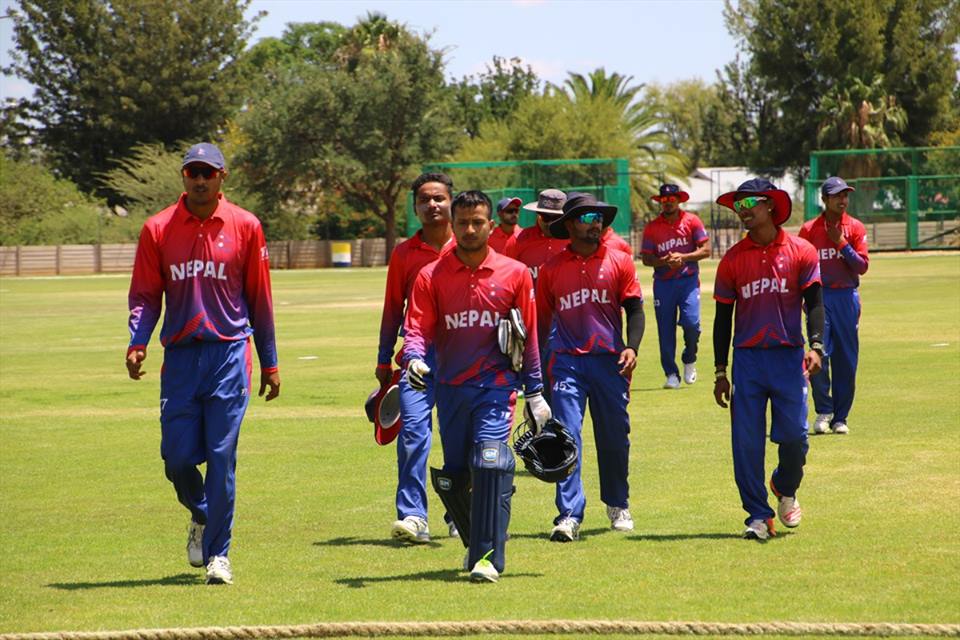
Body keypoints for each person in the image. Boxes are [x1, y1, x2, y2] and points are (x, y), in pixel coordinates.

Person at [126, 142, 280, 585]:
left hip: (229, 354)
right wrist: (138, 340)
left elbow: (260, 298)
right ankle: (202, 512)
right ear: (183, 176)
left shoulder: (246, 225)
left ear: (221, 177)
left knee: (221, 457)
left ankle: (219, 554)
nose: (199, 179)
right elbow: (145, 294)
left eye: (207, 173)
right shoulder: (157, 228)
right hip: (180, 358)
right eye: (192, 172)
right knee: (176, 459)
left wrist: (269, 361)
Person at [402, 190, 551, 583]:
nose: (470, 229)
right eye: (463, 222)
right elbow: (417, 327)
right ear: (453, 225)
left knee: (491, 463)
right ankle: (477, 542)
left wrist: (535, 391)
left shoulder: (514, 273)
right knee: (455, 477)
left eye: (477, 222)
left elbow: (529, 335)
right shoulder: (431, 275)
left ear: (490, 225)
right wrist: (413, 357)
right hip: (450, 389)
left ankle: (488, 558)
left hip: (496, 387)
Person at [712, 178, 824, 541]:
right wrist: (720, 371)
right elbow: (722, 318)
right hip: (747, 361)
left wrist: (817, 346)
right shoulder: (733, 259)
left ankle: (784, 485)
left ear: (770, 205)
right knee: (746, 443)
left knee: (795, 437)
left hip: (789, 358)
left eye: (750, 204)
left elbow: (815, 303)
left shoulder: (801, 251)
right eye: (738, 206)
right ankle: (758, 515)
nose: (742, 212)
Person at [536, 193, 645, 542]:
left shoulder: (620, 261)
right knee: (567, 436)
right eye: (586, 217)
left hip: (610, 362)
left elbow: (635, 309)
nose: (595, 223)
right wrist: (535, 378)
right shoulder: (552, 269)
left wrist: (632, 346)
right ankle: (569, 514)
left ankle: (618, 503)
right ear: (569, 225)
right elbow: (541, 324)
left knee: (614, 439)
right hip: (566, 362)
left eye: (598, 217)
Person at [376, 172, 457, 543]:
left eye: (439, 198)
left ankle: (459, 512)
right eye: (424, 199)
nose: (432, 205)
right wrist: (383, 360)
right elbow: (393, 308)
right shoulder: (404, 253)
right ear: (415, 207)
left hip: (464, 355)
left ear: (451, 202)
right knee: (412, 433)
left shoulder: (469, 244)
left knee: (459, 438)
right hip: (416, 355)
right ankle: (413, 516)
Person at [798, 177, 869, 435]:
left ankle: (841, 417)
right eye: (837, 195)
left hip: (846, 298)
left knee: (846, 360)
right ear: (825, 199)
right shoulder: (809, 230)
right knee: (819, 353)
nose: (843, 200)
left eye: (845, 195)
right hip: (819, 297)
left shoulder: (855, 227)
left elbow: (862, 266)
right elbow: (800, 266)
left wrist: (841, 242)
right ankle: (824, 411)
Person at [641, 184, 710, 389]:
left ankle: (690, 357)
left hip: (688, 281)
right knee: (665, 329)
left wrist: (683, 257)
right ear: (660, 202)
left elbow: (706, 250)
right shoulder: (652, 227)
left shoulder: (692, 221)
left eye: (672, 199)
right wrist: (665, 261)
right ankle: (671, 373)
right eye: (664, 200)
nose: (668, 203)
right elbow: (646, 258)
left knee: (691, 323)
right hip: (663, 283)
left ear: (679, 200)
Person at [508, 189, 569, 284]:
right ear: (538, 215)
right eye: (546, 217)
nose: (550, 223)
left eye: (556, 218)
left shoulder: (573, 240)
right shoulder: (518, 239)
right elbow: (509, 276)